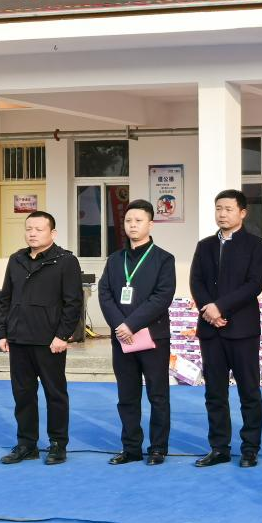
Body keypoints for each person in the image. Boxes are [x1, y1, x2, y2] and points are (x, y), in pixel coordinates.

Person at [188, 189, 262, 468]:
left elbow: (254, 285)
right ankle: (219, 447)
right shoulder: (205, 246)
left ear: (242, 213)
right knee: (215, 393)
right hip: (211, 330)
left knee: (249, 392)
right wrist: (209, 311)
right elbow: (196, 282)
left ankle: (250, 448)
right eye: (218, 209)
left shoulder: (257, 246)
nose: (222, 214)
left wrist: (220, 307)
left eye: (228, 209)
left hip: (242, 329)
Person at [0, 211, 83, 466]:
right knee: (23, 394)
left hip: (50, 342)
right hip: (19, 339)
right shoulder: (16, 259)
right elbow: (5, 299)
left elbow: (73, 303)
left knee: (55, 394)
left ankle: (58, 444)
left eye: (39, 229)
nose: (32, 233)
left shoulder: (65, 261)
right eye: (29, 229)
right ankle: (26, 444)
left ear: (52, 233)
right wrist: (3, 332)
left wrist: (62, 335)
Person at [96, 198, 177, 466]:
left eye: (138, 221)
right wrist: (119, 326)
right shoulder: (115, 259)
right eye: (128, 220)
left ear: (150, 224)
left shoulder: (164, 259)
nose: (132, 225)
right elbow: (105, 294)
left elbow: (162, 297)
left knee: (157, 395)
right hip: (122, 339)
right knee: (127, 396)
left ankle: (158, 448)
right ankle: (131, 448)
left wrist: (131, 324)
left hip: (152, 337)